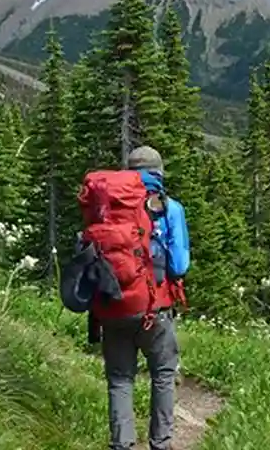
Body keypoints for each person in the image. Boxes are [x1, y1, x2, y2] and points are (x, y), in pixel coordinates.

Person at [99, 146, 191, 450]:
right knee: (163, 374)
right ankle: (160, 444)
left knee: (120, 379)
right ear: (159, 173)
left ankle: (121, 444)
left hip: (113, 306)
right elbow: (179, 265)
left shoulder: (108, 206)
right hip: (155, 308)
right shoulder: (169, 207)